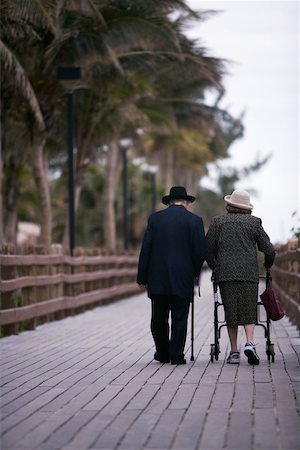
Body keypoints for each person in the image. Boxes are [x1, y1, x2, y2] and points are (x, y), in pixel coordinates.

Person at [137, 186, 206, 365]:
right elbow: (200, 252)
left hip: (157, 278)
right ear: (186, 203)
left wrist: (142, 277)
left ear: (169, 202)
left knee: (158, 318)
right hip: (183, 277)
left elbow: (146, 249)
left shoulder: (155, 219)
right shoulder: (195, 221)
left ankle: (162, 352)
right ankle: (176, 355)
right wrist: (195, 273)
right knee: (180, 316)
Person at [206, 188, 275, 365]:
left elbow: (207, 249)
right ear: (247, 207)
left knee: (231, 312)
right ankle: (250, 343)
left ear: (230, 204)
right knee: (249, 309)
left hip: (226, 274)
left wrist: (215, 266)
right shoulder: (254, 223)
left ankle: (234, 352)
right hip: (248, 274)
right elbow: (269, 249)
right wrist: (268, 264)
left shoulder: (218, 222)